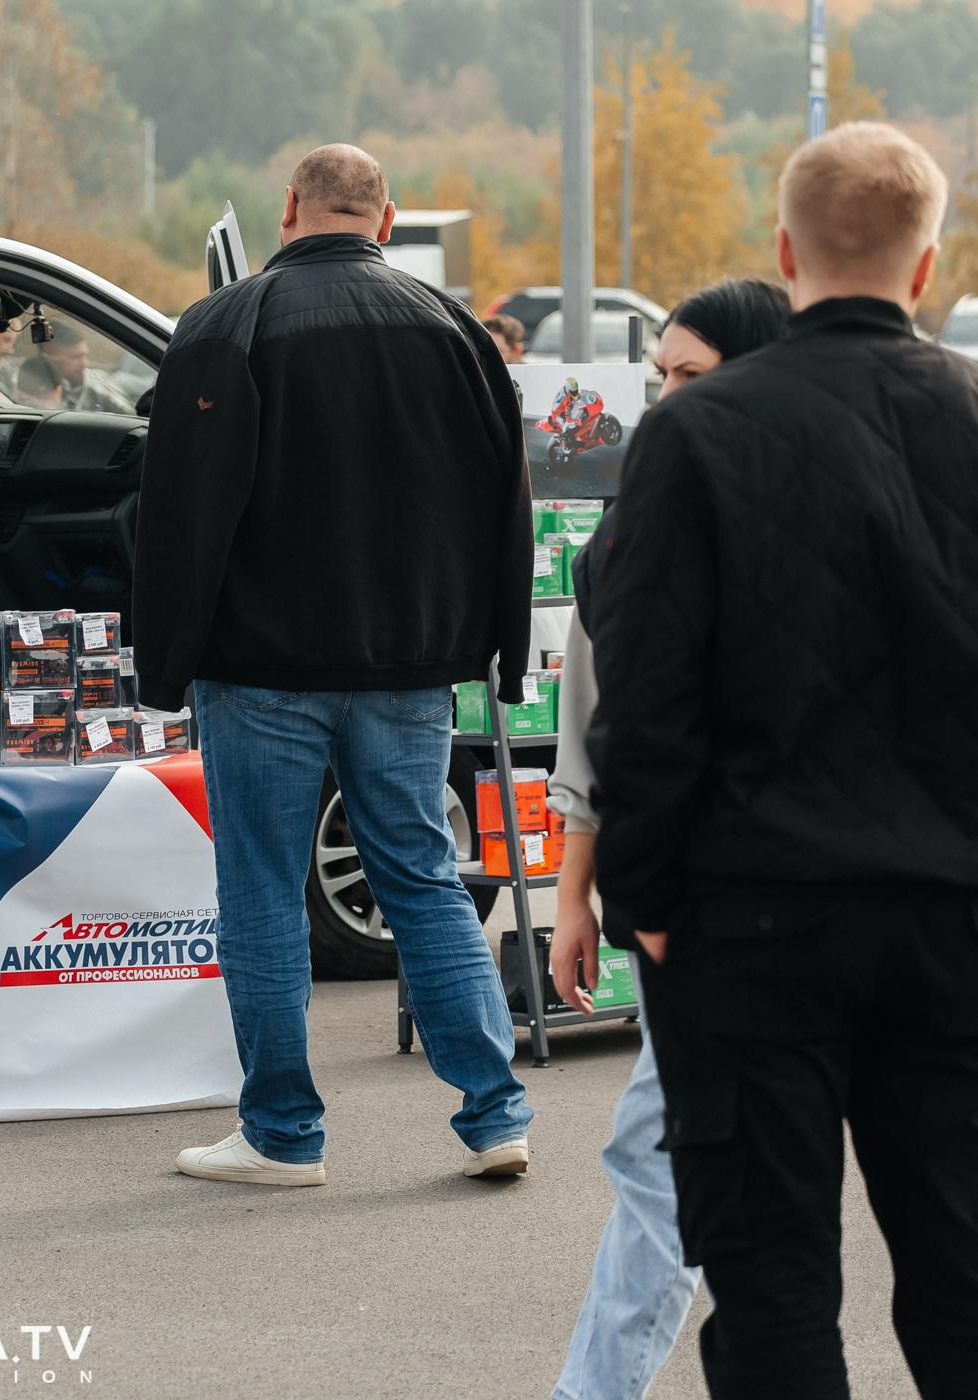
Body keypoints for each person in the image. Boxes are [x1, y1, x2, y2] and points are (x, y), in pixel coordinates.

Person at [592, 122, 978, 1399]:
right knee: (962, 1271)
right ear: (926, 267)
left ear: (783, 252)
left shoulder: (694, 439)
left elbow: (647, 701)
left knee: (769, 1291)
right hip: (953, 917)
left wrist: (641, 902)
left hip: (748, 921)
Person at [135, 143, 535, 1187]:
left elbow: (181, 511)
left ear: (287, 210)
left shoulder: (226, 322)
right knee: (423, 874)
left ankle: (281, 1133)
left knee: (262, 888)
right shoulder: (455, 331)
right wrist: (501, 643)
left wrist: (162, 664)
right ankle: (495, 1110)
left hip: (262, 662)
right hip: (409, 658)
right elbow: (505, 496)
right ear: (387, 220)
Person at [546, 277, 790, 1400]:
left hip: (814, 892)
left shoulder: (828, 512)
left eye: (695, 376)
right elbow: (591, 739)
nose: (670, 401)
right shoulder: (630, 527)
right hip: (684, 906)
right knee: (664, 1152)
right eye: (661, 381)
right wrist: (570, 896)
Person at [41, 333, 138, 413]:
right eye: (75, 357)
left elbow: (131, 415)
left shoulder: (96, 387)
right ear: (50, 359)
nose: (84, 363)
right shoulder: (33, 386)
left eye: (84, 356)